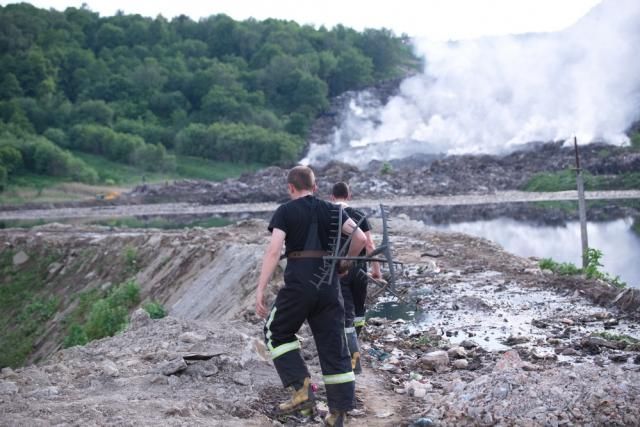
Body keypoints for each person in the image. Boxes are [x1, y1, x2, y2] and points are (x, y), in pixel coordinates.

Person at [255, 166, 367, 426]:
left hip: (300, 284)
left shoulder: (285, 211)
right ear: (316, 188)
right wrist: (344, 264)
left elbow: (273, 252)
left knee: (277, 331)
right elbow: (360, 238)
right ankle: (338, 413)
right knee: (333, 344)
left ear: (290, 188)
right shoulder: (334, 210)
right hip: (328, 285)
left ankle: (302, 392)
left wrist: (260, 289)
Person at [330, 182, 382, 374]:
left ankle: (353, 357)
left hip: (340, 271)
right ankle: (354, 344)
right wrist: (376, 271)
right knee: (359, 311)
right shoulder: (359, 215)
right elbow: (369, 244)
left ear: (332, 197)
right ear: (349, 196)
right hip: (360, 269)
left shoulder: (330, 214)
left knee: (347, 316)